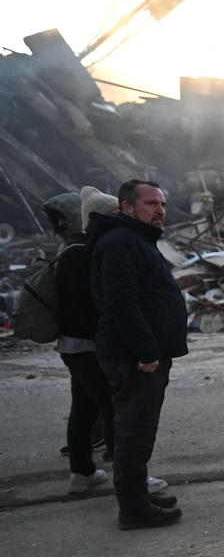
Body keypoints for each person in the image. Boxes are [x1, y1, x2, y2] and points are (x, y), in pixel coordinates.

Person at [91, 180, 186, 529]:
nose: (159, 210)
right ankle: (133, 508)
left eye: (162, 203)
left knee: (138, 429)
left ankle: (137, 494)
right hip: (134, 357)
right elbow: (122, 302)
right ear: (127, 207)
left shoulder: (134, 239)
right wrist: (146, 351)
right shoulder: (120, 242)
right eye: (150, 203)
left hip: (142, 353)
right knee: (134, 431)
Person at [47, 189, 117, 494]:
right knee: (115, 408)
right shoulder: (81, 253)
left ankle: (82, 473)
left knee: (85, 409)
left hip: (74, 346)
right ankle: (129, 479)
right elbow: (89, 306)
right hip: (88, 346)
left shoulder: (70, 250)